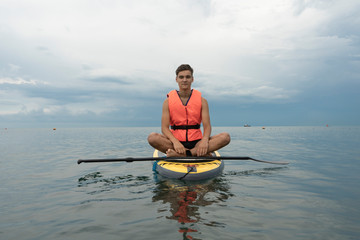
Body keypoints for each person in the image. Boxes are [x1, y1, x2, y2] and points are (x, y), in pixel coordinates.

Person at [148, 64, 230, 157]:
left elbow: (207, 126)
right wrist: (175, 142)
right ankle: (198, 154)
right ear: (176, 79)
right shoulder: (167, 102)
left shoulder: (202, 101)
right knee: (152, 137)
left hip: (197, 143)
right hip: (175, 143)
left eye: (188, 77)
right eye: (181, 77)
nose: (184, 80)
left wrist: (204, 141)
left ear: (192, 79)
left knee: (225, 137)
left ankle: (184, 155)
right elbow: (164, 128)